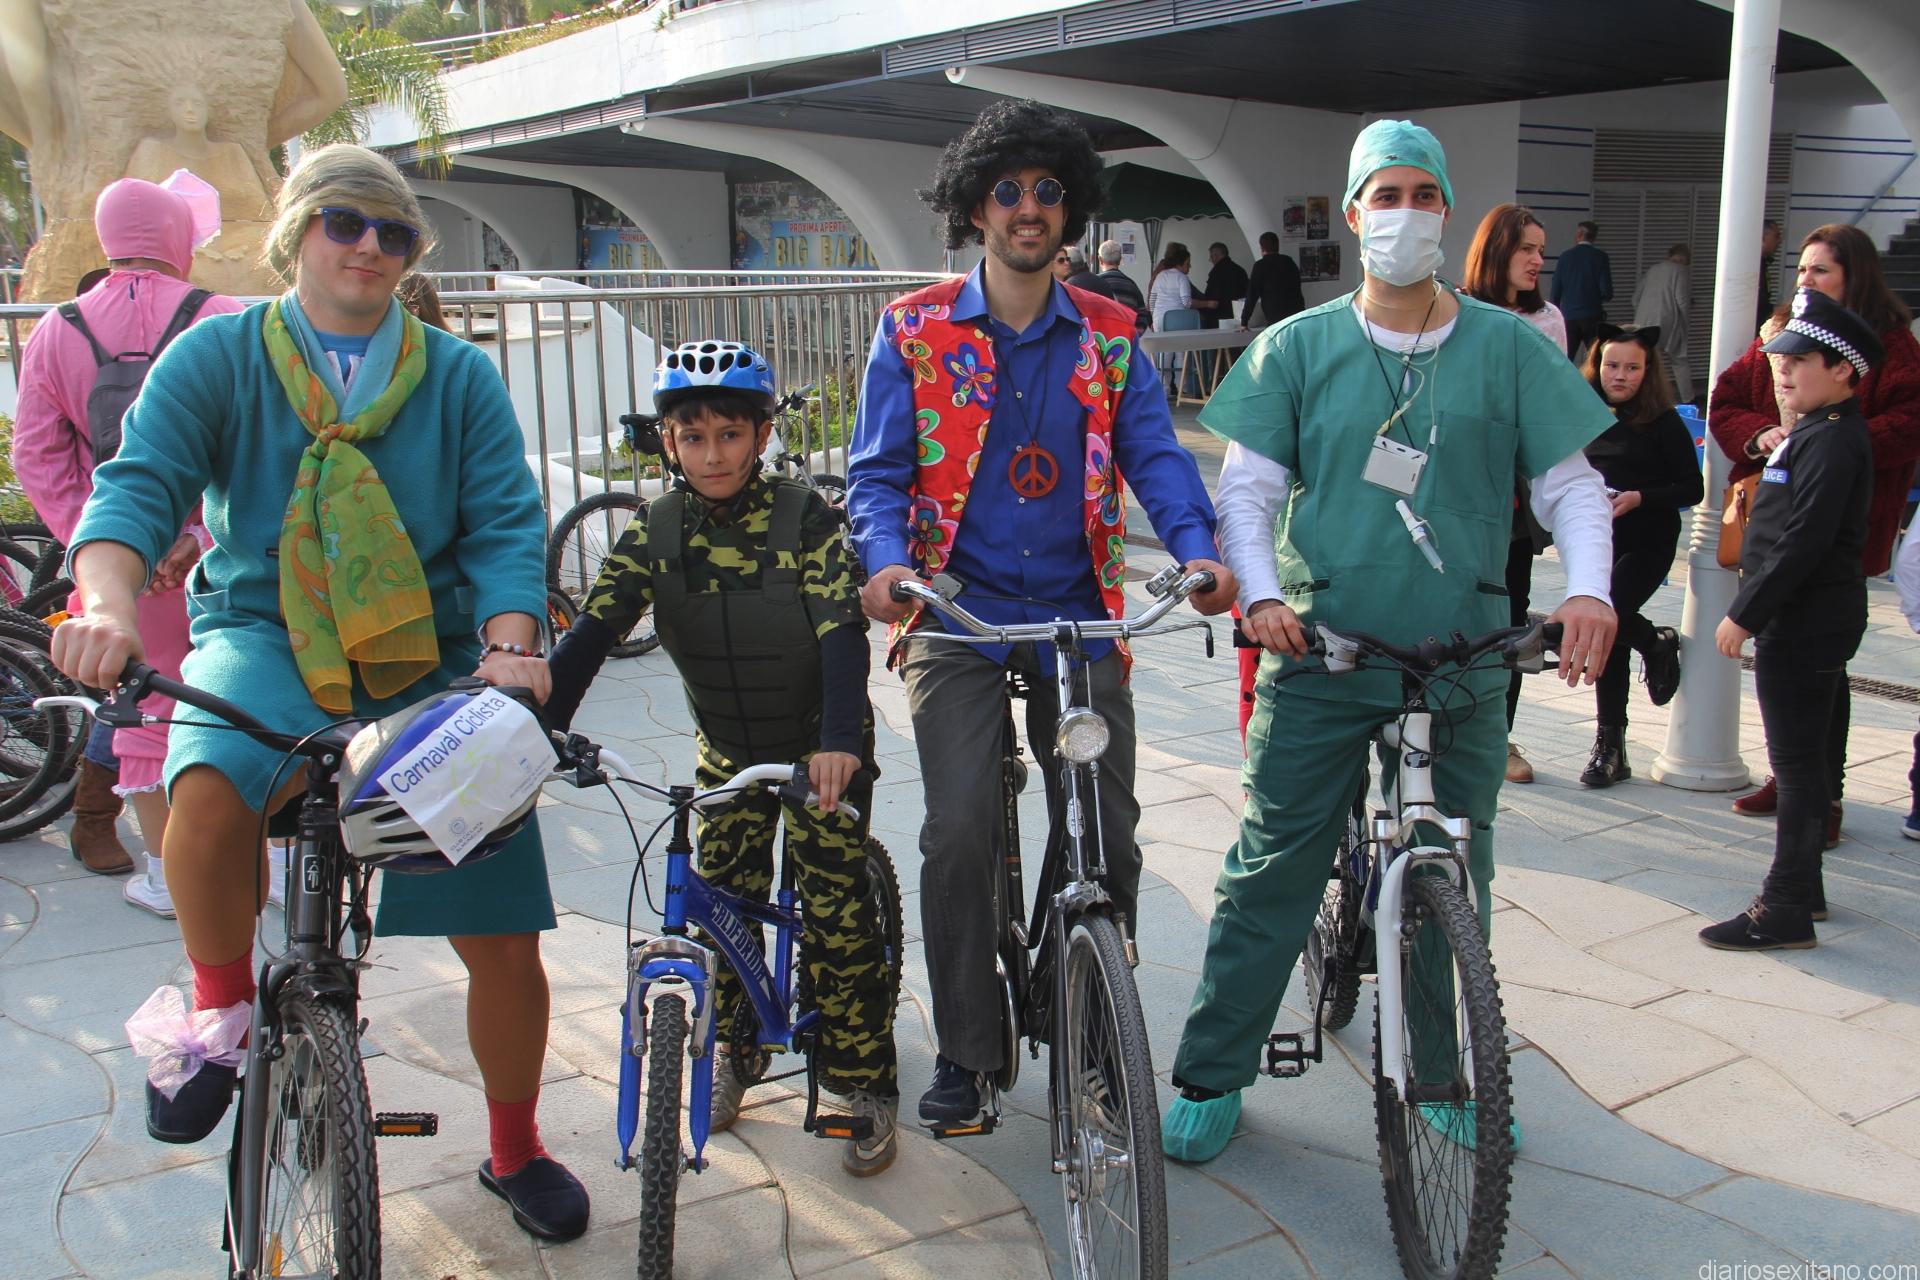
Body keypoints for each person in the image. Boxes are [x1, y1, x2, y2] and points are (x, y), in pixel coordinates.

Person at [50, 144, 590, 1242]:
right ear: (294, 234)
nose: (369, 247)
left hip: (431, 652)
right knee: (209, 780)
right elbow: (137, 488)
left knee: (500, 927)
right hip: (265, 631)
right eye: (344, 222)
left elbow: (503, 523)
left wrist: (509, 644)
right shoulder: (219, 354)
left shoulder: (456, 375)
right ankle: (221, 1012)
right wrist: (104, 604)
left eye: (395, 233)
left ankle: (515, 1145)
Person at [1161, 119, 1617, 1164]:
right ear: (1354, 211)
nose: (1404, 213)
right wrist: (1262, 596)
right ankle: (1214, 1067)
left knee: (1453, 866)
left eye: (1423, 193)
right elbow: (1248, 492)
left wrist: (1591, 592)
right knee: (1273, 866)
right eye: (1386, 194)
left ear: (1446, 209)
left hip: (1462, 656)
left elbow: (1571, 485)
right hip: (1322, 646)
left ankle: (1443, 1067)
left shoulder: (1509, 347)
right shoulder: (1298, 346)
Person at [848, 97, 1236, 1128]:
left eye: (1049, 190)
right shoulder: (913, 329)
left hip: (1078, 614)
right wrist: (885, 566)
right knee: (959, 832)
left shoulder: (1110, 333)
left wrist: (1197, 550)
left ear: (1072, 209)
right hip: (956, 615)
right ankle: (968, 1051)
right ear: (976, 206)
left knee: (1106, 830)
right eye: (1009, 189)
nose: (1029, 207)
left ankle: (1089, 1025)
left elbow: (1155, 454)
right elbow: (877, 474)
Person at [540, 340, 902, 1176]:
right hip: (727, 749)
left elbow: (840, 634)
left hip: (817, 743)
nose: (712, 455)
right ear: (669, 442)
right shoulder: (656, 529)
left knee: (835, 911)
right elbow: (593, 630)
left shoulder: (803, 518)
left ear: (762, 435)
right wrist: (544, 726)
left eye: (730, 435)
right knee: (721, 906)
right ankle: (736, 1052)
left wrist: (838, 744)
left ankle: (863, 1082)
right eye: (693, 436)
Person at [12, 179, 243, 892]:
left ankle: (171, 877)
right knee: (240, 700)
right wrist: (198, 533)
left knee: (137, 714)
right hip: (220, 562)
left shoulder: (57, 329)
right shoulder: (223, 319)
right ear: (178, 233)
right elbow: (262, 447)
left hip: (123, 575)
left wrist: (105, 547)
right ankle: (249, 869)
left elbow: (38, 455)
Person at [1709, 223, 1920, 842]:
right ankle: (1793, 775)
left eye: (1820, 270)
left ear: (1854, 276)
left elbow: (1909, 421)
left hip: (1842, 522)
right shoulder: (1781, 331)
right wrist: (1762, 435)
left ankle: (1822, 793)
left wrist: (1824, 447)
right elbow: (1726, 401)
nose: (1806, 280)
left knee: (1820, 666)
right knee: (1784, 665)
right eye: (1801, 268)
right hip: (1770, 515)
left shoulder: (1886, 345)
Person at [1706, 289, 1881, 950]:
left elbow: (1804, 539)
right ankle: (1803, 889)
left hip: (1804, 620)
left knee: (1799, 768)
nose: (1783, 370)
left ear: (1842, 371)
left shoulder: (1832, 440)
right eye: (1782, 357)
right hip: (1806, 616)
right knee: (1806, 763)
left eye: (1801, 360)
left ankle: (1783, 906)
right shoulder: (1815, 430)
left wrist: (1745, 614)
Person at [1461, 203, 1568, 784]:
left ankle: (1498, 737)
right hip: (1454, 491)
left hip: (1514, 498)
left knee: (1509, 618)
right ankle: (1449, 726)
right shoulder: (1454, 309)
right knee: (1449, 613)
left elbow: (1553, 410)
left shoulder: (1547, 319)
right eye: (1526, 248)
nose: (1536, 261)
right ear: (1497, 249)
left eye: (1541, 251)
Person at [1577, 324, 1698, 785]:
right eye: (1612, 365)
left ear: (1647, 371)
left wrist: (1640, 497)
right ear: (1597, 365)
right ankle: (1612, 746)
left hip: (1648, 539)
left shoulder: (1663, 422)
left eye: (1632, 367)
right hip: (1597, 542)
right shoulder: (1581, 413)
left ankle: (1650, 644)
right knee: (1606, 630)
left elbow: (1692, 487)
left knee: (1607, 616)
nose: (1620, 375)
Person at [1633, 244, 1694, 401]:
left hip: (1643, 321)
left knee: (1645, 359)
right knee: (1679, 359)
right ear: (1686, 260)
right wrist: (1685, 322)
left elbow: (1635, 298)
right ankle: (1688, 398)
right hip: (1668, 320)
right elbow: (1682, 300)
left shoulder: (1653, 269)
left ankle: (1641, 396)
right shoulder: (1681, 271)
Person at [1551, 220, 1613, 361]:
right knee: (1595, 359)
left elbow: (1556, 289)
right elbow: (1607, 292)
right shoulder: (1600, 257)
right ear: (1594, 237)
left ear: (1579, 234)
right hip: (1592, 316)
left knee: (1565, 359)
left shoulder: (1566, 257)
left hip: (1569, 316)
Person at [1240, 231, 1304, 330]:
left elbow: (1252, 295)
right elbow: (1297, 286)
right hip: (1296, 313)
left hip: (1275, 315)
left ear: (1262, 248)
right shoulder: (1289, 261)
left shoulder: (1260, 266)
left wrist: (1244, 321)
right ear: (1277, 245)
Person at [1194, 241, 1248, 330]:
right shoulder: (1240, 270)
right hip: (1239, 317)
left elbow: (1211, 296)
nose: (1210, 260)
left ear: (1216, 255)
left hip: (1219, 319)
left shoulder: (1216, 272)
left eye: (1211, 256)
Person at [1095, 238, 1148, 329]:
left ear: (1100, 259)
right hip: (1125, 335)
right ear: (1120, 259)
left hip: (1100, 336)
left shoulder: (1094, 283)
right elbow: (1143, 314)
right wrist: (1136, 333)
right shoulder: (1131, 285)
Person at [1148, 241, 1195, 331]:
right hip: (1177, 322)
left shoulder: (1159, 275)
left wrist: (1154, 318)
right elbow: (1186, 303)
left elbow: (1152, 300)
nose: (1190, 266)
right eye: (1187, 263)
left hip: (1159, 322)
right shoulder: (1182, 277)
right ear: (1179, 263)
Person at [1757, 218, 1783, 334]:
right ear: (1762, 237)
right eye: (1776, 236)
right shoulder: (1753, 265)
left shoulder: (1762, 264)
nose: (1780, 241)